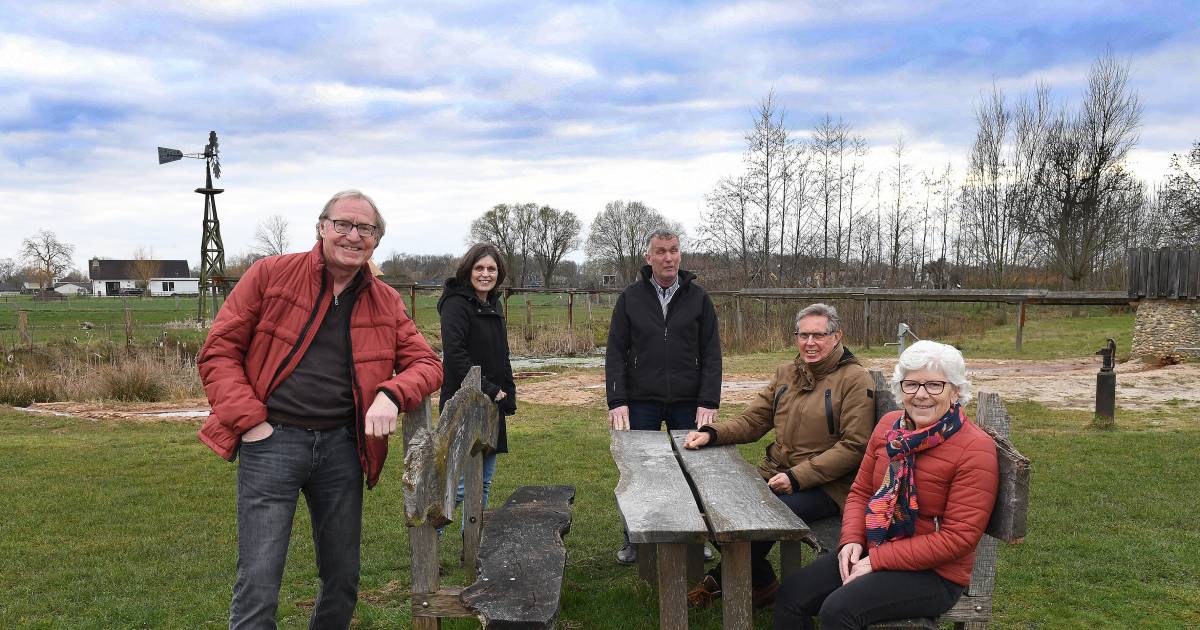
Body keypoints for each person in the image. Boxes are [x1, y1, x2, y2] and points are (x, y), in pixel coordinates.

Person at [197, 190, 443, 629]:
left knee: (343, 577)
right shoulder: (271, 275)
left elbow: (426, 364)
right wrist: (251, 423)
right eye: (343, 224)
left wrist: (391, 393)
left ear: (376, 239)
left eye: (365, 228)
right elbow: (219, 352)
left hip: (342, 449)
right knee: (259, 578)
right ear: (321, 227)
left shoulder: (385, 301)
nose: (353, 235)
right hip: (271, 442)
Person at [772, 340, 1000, 629]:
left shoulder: (974, 449)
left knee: (839, 610)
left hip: (935, 573)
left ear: (955, 391)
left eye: (934, 386)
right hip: (875, 545)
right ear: (900, 388)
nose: (921, 395)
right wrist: (852, 540)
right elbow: (861, 491)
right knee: (792, 594)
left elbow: (958, 539)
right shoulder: (889, 427)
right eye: (911, 384)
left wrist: (877, 560)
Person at [683, 303, 876, 609]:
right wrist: (712, 433)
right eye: (803, 335)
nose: (809, 343)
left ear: (837, 336)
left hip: (827, 487)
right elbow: (754, 421)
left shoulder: (854, 380)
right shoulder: (788, 373)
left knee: (748, 517)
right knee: (702, 503)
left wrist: (798, 477)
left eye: (818, 335)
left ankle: (730, 580)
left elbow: (854, 446)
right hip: (777, 475)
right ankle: (761, 583)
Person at [606, 228, 722, 565]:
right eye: (661, 251)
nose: (668, 257)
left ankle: (695, 538)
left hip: (688, 400)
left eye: (673, 250)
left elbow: (712, 353)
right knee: (639, 469)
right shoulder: (630, 298)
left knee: (692, 468)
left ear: (680, 255)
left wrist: (709, 400)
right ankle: (634, 539)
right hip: (641, 400)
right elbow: (615, 352)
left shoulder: (698, 298)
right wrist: (617, 400)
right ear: (649, 257)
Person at [437, 242, 515, 514]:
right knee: (458, 485)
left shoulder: (492, 304)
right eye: (479, 268)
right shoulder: (455, 304)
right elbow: (456, 356)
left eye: (491, 269)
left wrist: (509, 393)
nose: (485, 274)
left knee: (483, 482)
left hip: (492, 404)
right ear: (468, 270)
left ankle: (471, 545)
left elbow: (501, 354)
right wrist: (491, 389)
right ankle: (429, 541)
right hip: (464, 403)